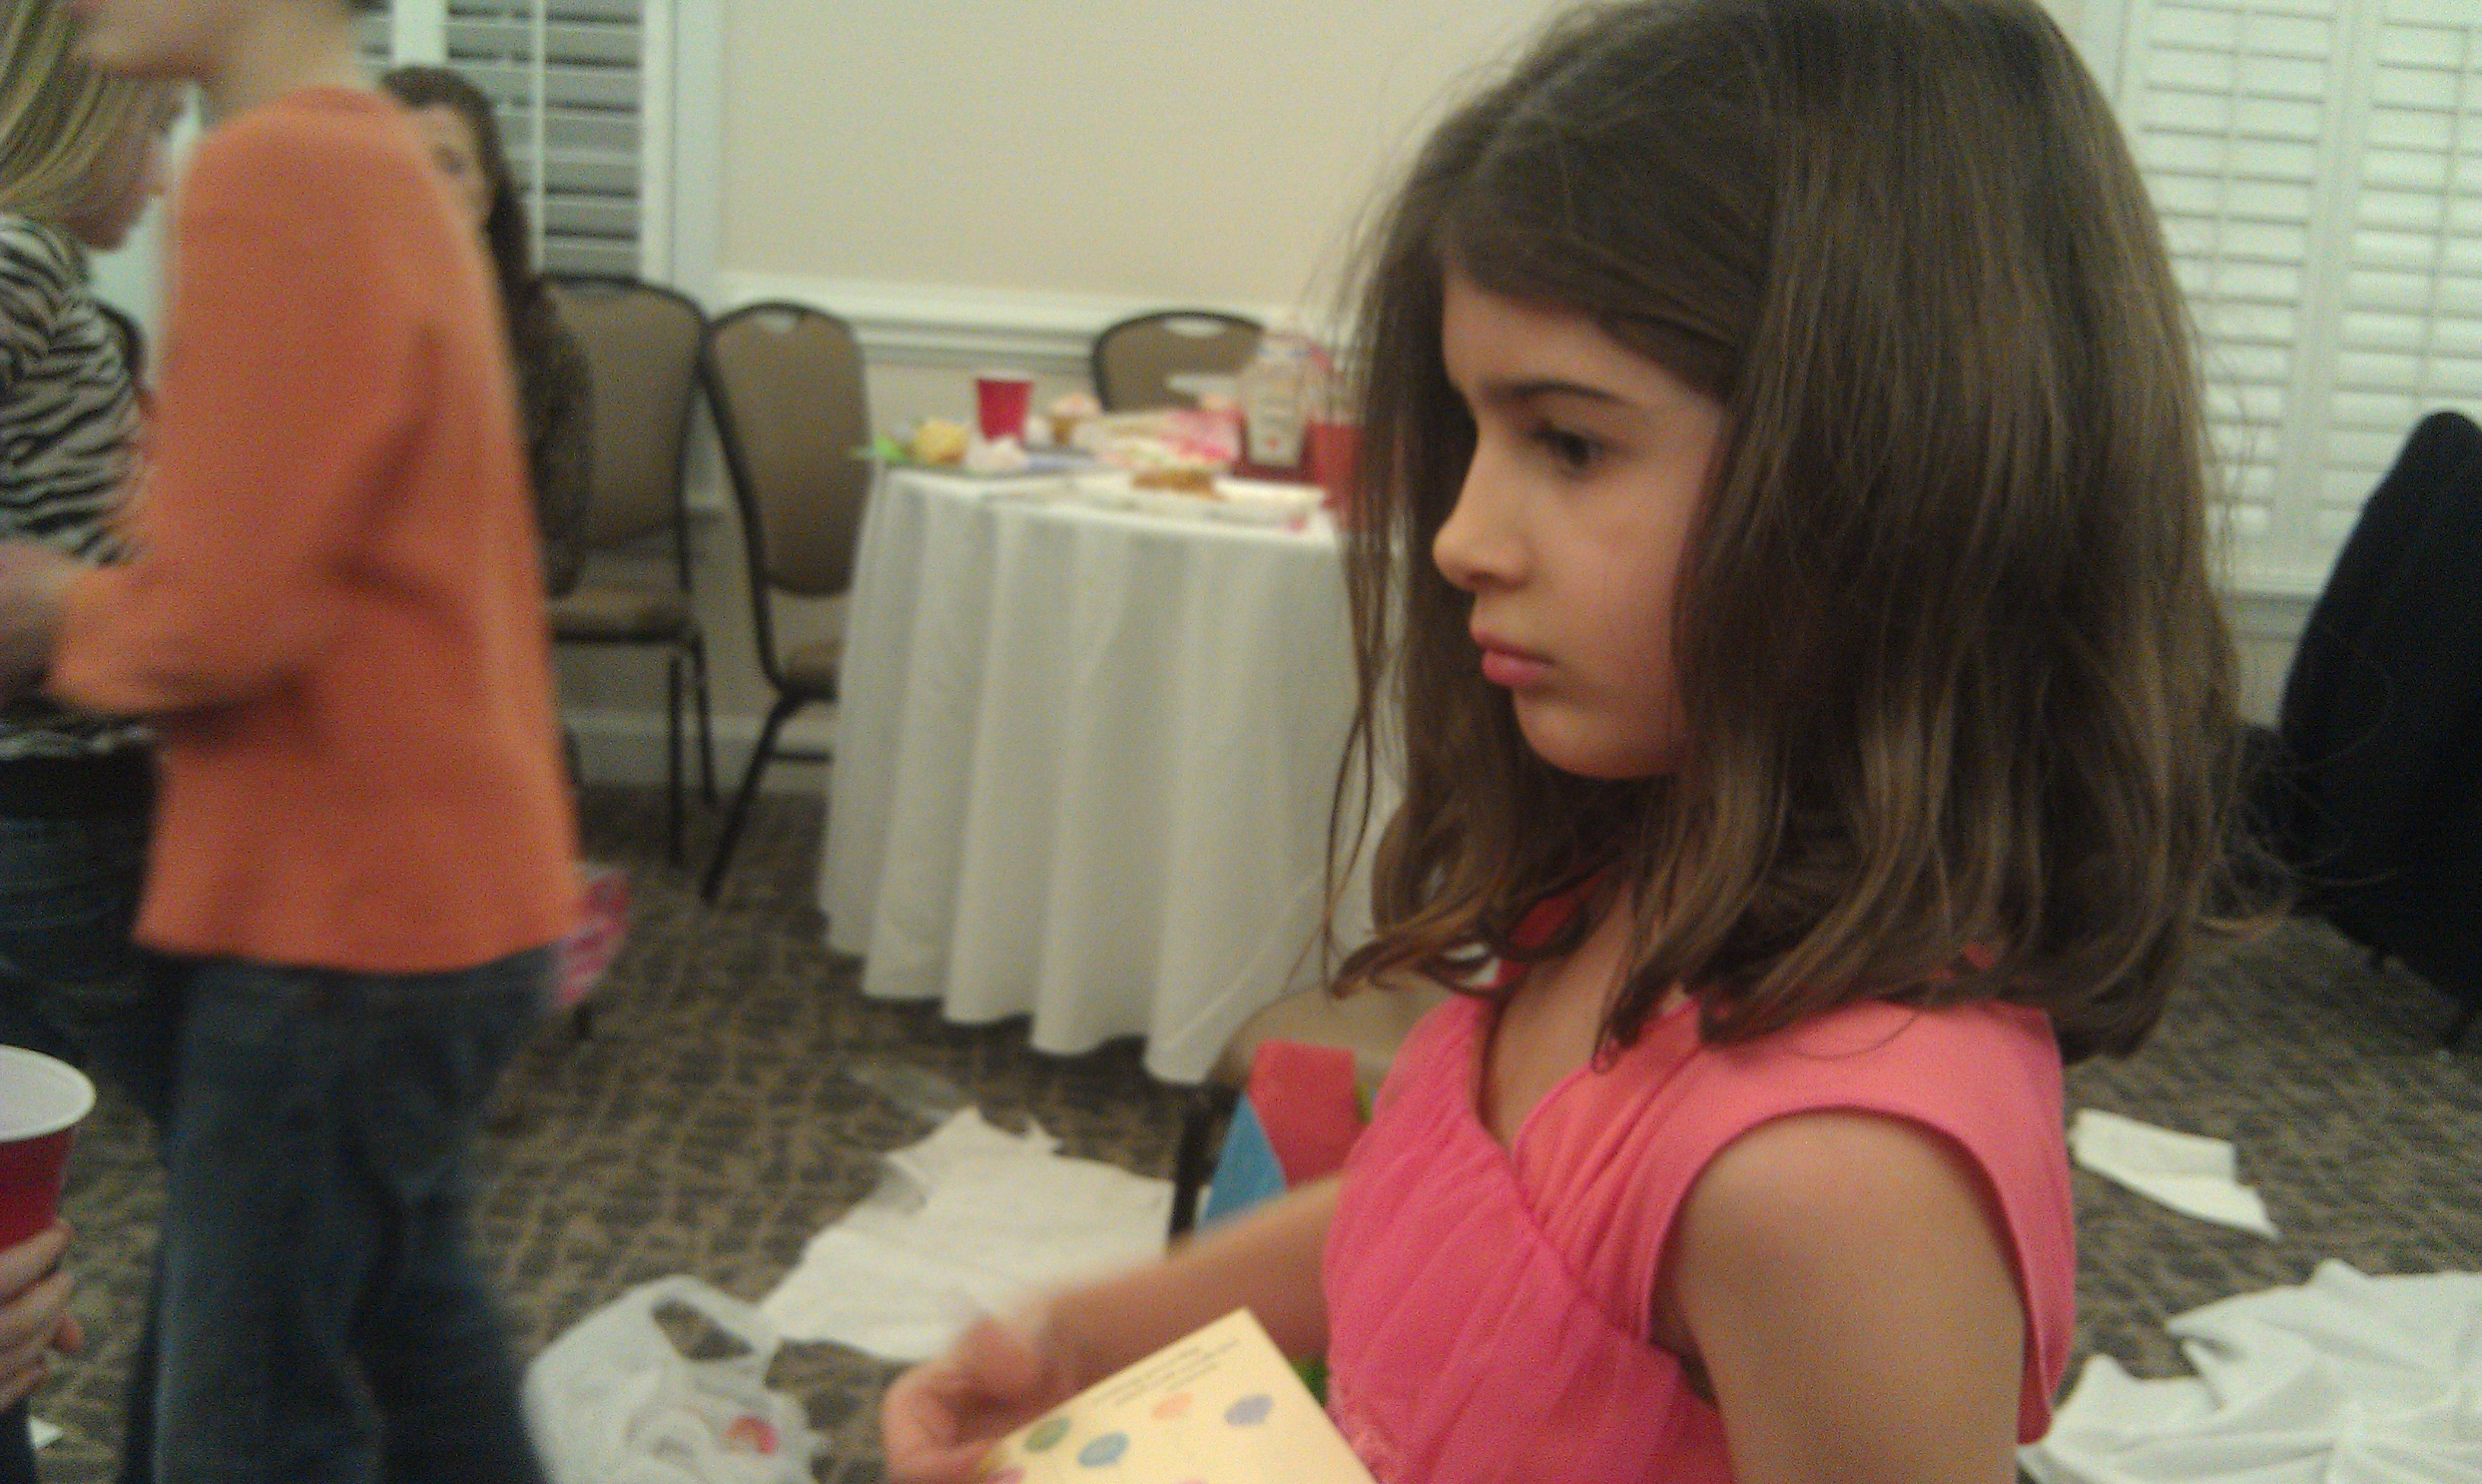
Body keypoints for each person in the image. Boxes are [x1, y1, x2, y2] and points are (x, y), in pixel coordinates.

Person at [884, 2, 2250, 1481]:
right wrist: (1092, 1337)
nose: (1460, 536)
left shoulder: (1829, 1181)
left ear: (1894, 476)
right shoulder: (1641, 872)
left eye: (1571, 442)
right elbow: (1467, 1220)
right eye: (1473, 434)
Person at [0, 0, 580, 1477]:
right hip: (436, 893)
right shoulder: (370, 161)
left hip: (340, 916)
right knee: (413, 1333)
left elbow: (226, 620)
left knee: (247, 1420)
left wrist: (58, 609)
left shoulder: (275, 172)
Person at [0, 5, 175, 1473]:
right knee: (246, 1144)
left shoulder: (46, 276)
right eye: (154, 125)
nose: (164, 170)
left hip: (56, 798)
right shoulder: (20, 259)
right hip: (66, 802)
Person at [377, 63, 591, 598]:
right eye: (398, 163)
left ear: (486, 194)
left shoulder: (545, 352)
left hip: (483, 616)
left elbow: (558, 556)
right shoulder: (323, 332)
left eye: (448, 164)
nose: (422, 185)